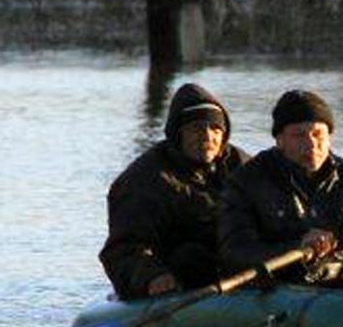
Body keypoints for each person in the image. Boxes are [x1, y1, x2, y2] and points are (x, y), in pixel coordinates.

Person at [219, 89, 343, 285]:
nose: (311, 144)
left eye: (318, 134)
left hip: (337, 283)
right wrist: (297, 247)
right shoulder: (248, 180)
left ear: (330, 137)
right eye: (299, 135)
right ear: (280, 140)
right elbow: (235, 252)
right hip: (274, 288)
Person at [99, 82, 247, 300]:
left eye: (215, 129)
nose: (207, 136)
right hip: (180, 280)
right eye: (197, 128)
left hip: (238, 271)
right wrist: (151, 276)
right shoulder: (142, 181)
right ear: (179, 133)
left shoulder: (243, 167)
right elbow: (124, 248)